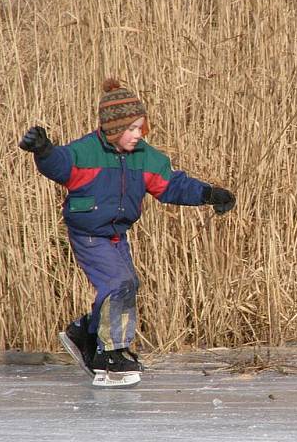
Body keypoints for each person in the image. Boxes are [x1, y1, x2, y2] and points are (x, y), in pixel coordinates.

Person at [18, 78, 235, 376]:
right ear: (114, 129)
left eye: (141, 128)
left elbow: (172, 185)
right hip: (90, 234)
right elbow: (60, 164)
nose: (137, 135)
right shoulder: (86, 152)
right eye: (131, 129)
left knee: (128, 284)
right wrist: (43, 150)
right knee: (117, 284)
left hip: (117, 235)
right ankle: (109, 353)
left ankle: (86, 333)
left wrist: (209, 194)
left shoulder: (145, 158)